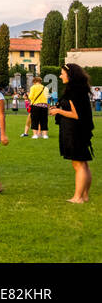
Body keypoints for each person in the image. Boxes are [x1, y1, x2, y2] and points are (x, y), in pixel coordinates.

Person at [47, 64, 93, 203]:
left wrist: (58, 111)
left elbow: (76, 114)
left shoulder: (73, 91)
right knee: (83, 164)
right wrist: (59, 107)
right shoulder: (80, 89)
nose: (60, 76)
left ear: (70, 75)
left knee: (78, 164)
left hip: (74, 131)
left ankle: (78, 197)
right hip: (79, 130)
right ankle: (84, 195)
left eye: (62, 73)